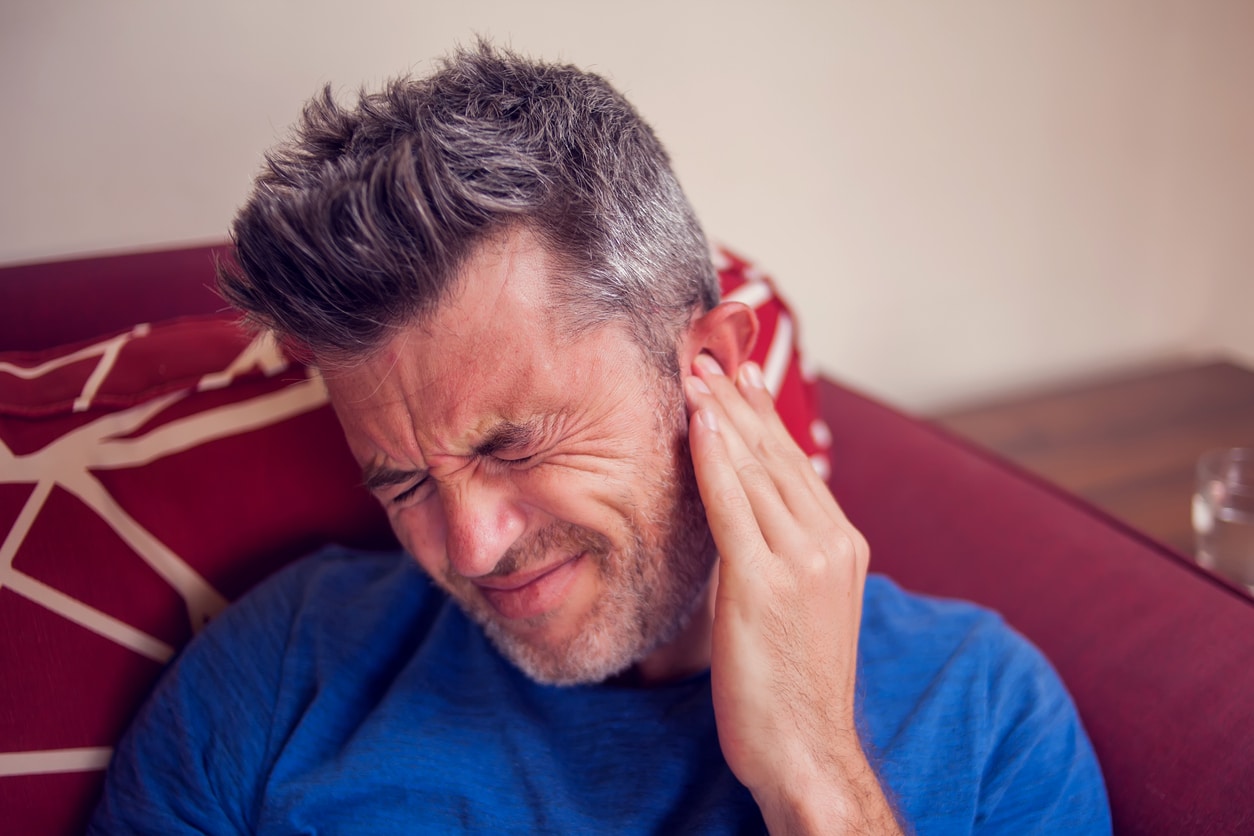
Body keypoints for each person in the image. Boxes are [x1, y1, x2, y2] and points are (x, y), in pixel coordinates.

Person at [91, 43, 1109, 834]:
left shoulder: (981, 709)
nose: (473, 546)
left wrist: (818, 781)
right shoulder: (280, 668)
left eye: (512, 443)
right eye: (403, 482)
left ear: (707, 364)